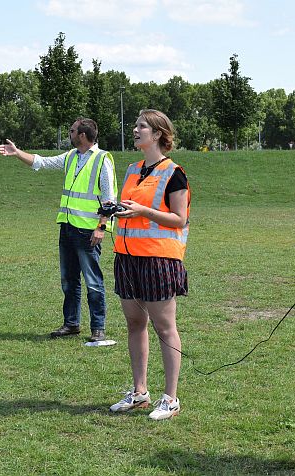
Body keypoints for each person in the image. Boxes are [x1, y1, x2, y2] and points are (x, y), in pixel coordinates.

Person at [0, 119, 116, 342]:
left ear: (82, 135)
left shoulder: (102, 159)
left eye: (71, 130)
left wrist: (101, 227)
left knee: (93, 282)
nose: (68, 134)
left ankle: (98, 328)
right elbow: (41, 162)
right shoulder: (71, 156)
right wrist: (17, 153)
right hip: (68, 228)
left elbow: (109, 198)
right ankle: (71, 323)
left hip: (88, 231)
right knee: (69, 280)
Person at [108, 109, 190, 421]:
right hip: (127, 256)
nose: (135, 129)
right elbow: (132, 208)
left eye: (142, 126)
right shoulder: (132, 169)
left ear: (157, 134)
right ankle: (139, 392)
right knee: (133, 322)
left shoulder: (174, 173)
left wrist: (143, 211)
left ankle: (170, 398)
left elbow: (179, 219)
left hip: (159, 258)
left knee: (164, 327)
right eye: (136, 125)